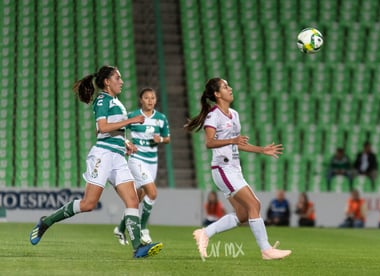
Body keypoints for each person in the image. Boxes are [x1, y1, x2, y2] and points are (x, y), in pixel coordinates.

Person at [29, 65, 162, 258]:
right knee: (88, 204)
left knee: (133, 200)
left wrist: (125, 142)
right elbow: (101, 128)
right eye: (118, 78)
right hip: (103, 156)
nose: (122, 81)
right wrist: (130, 121)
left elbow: (108, 130)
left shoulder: (116, 102)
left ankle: (138, 248)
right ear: (107, 82)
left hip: (118, 156)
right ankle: (46, 222)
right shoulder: (102, 99)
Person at [184, 77, 291, 260]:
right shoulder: (213, 115)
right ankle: (266, 250)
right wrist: (233, 140)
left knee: (242, 215)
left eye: (229, 86)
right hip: (223, 168)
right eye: (225, 87)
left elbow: (238, 144)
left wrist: (261, 149)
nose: (230, 88)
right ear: (217, 94)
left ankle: (205, 233)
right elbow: (209, 143)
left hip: (234, 168)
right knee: (254, 204)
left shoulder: (234, 114)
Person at [113, 87, 170, 246]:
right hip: (136, 159)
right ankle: (143, 228)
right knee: (152, 193)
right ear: (141, 100)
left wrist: (160, 140)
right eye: (147, 97)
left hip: (152, 162)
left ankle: (120, 228)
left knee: (136, 200)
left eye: (153, 97)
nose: (150, 100)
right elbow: (118, 130)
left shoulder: (161, 118)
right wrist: (126, 142)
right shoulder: (133, 116)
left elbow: (168, 138)